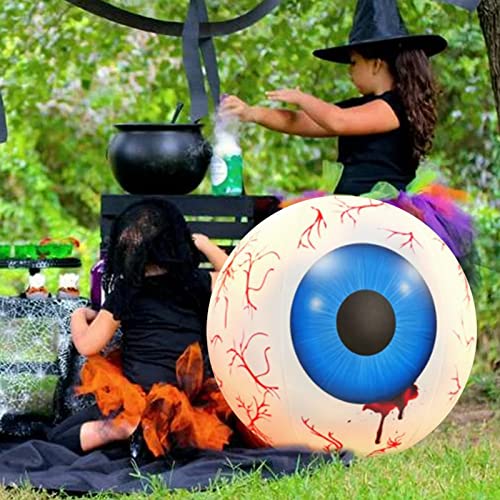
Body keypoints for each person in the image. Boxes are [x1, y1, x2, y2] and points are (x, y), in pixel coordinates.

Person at [221, 0, 475, 278]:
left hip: (382, 213)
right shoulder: (360, 107)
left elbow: (337, 120)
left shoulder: (395, 108)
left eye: (354, 62)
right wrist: (252, 112)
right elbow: (303, 121)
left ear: (376, 64)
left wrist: (303, 98)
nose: (349, 71)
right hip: (350, 208)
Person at [48, 198, 232, 457]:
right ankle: (159, 434)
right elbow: (234, 277)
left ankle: (121, 428)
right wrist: (205, 245)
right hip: (185, 399)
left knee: (57, 437)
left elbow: (87, 345)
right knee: (183, 429)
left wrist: (78, 315)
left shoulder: (126, 291)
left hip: (138, 394)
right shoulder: (198, 282)